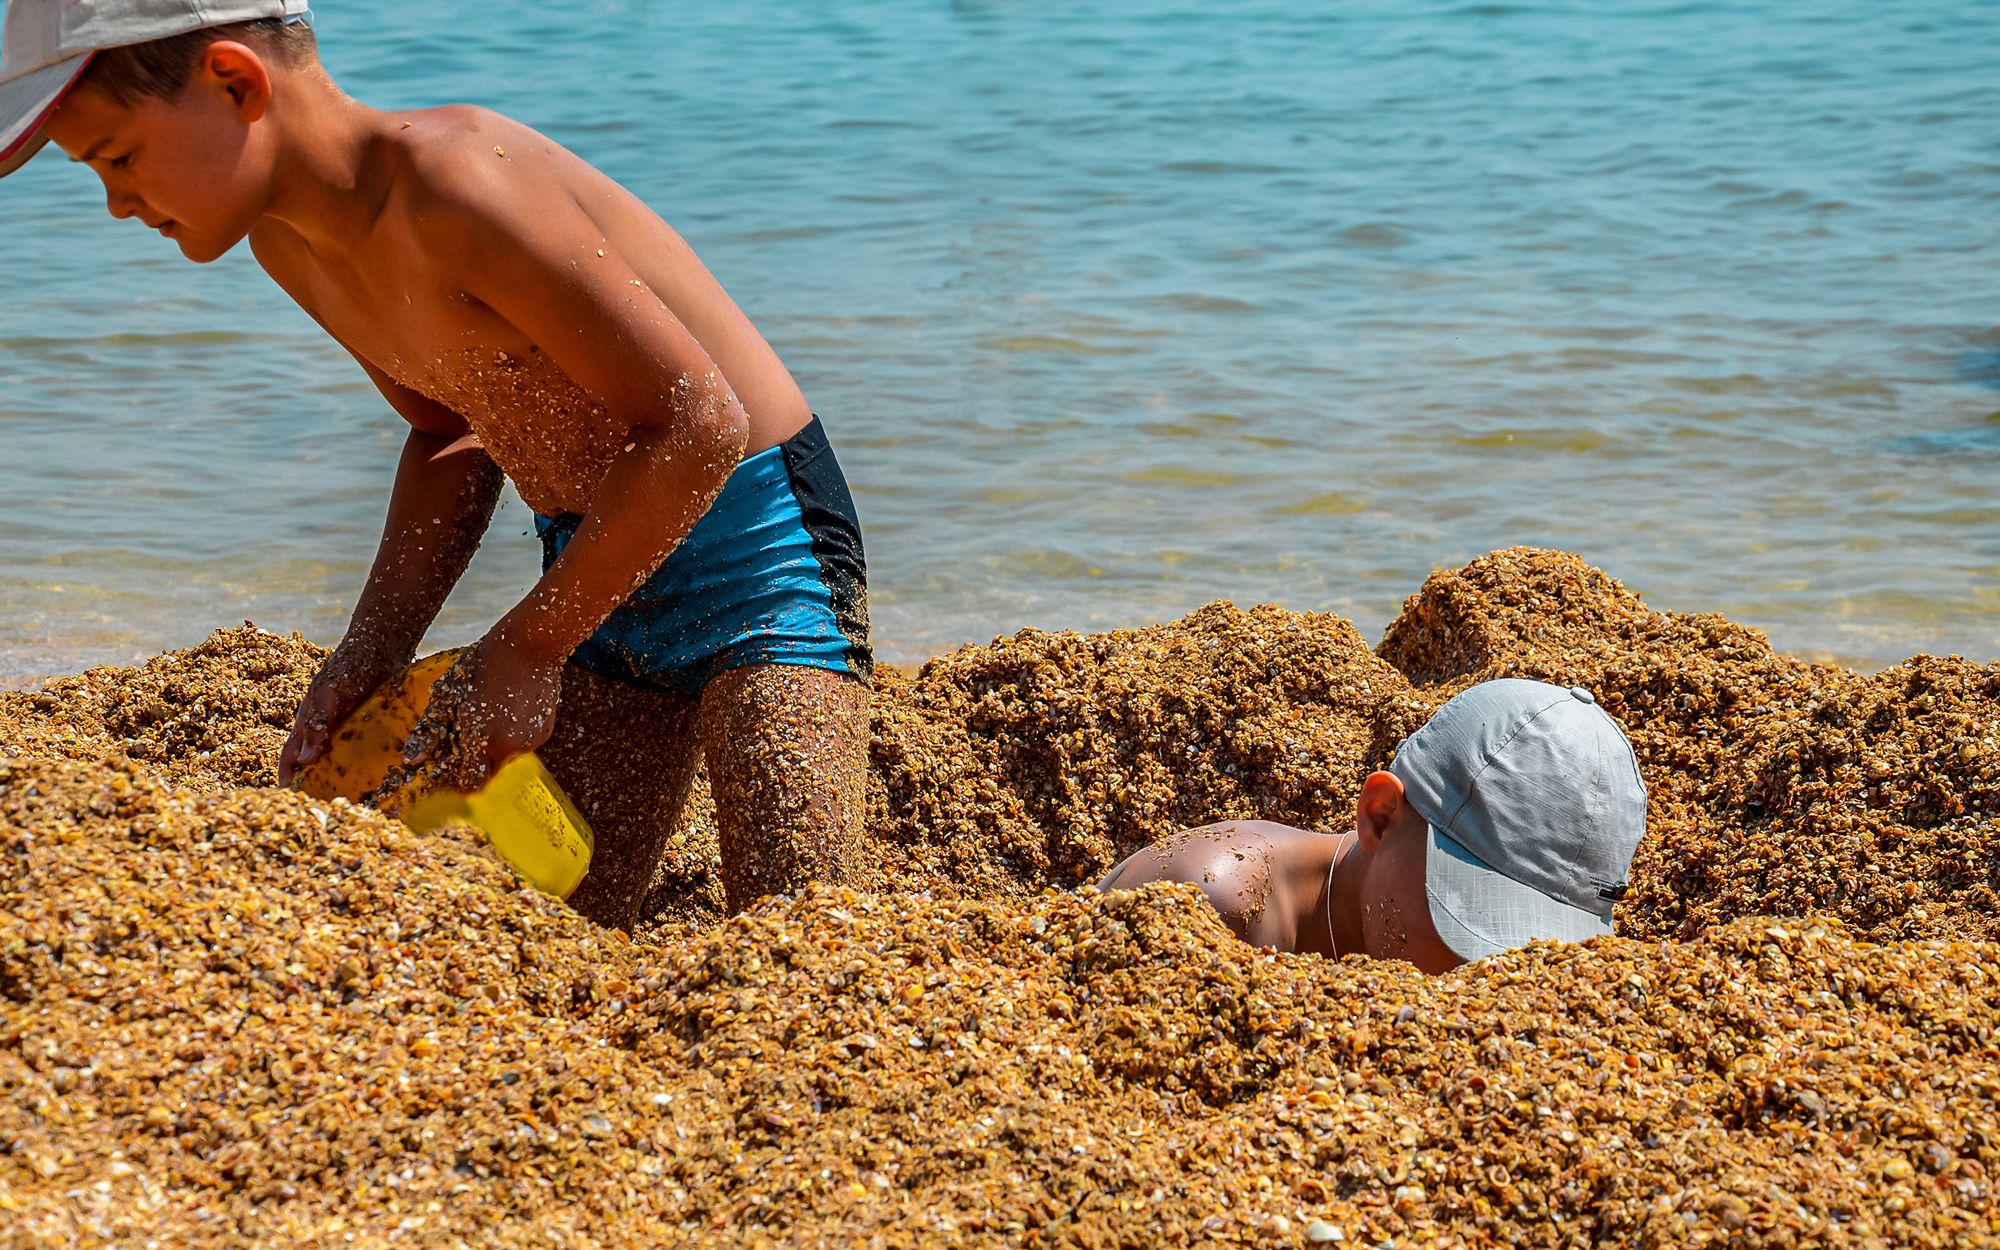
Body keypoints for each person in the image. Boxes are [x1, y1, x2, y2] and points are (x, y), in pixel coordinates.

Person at [0, 1, 872, 926]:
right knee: (569, 919)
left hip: (765, 556)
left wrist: (530, 645)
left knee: (802, 922)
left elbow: (699, 423)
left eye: (117, 158)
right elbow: (448, 433)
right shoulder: (290, 243)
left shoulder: (460, 183)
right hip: (596, 574)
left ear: (235, 80)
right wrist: (373, 647)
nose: (117, 203)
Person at [1097, 679, 1647, 971]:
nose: (1482, 972)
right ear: (1379, 816)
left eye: (1532, 943)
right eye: (1475, 920)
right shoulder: (1209, 903)